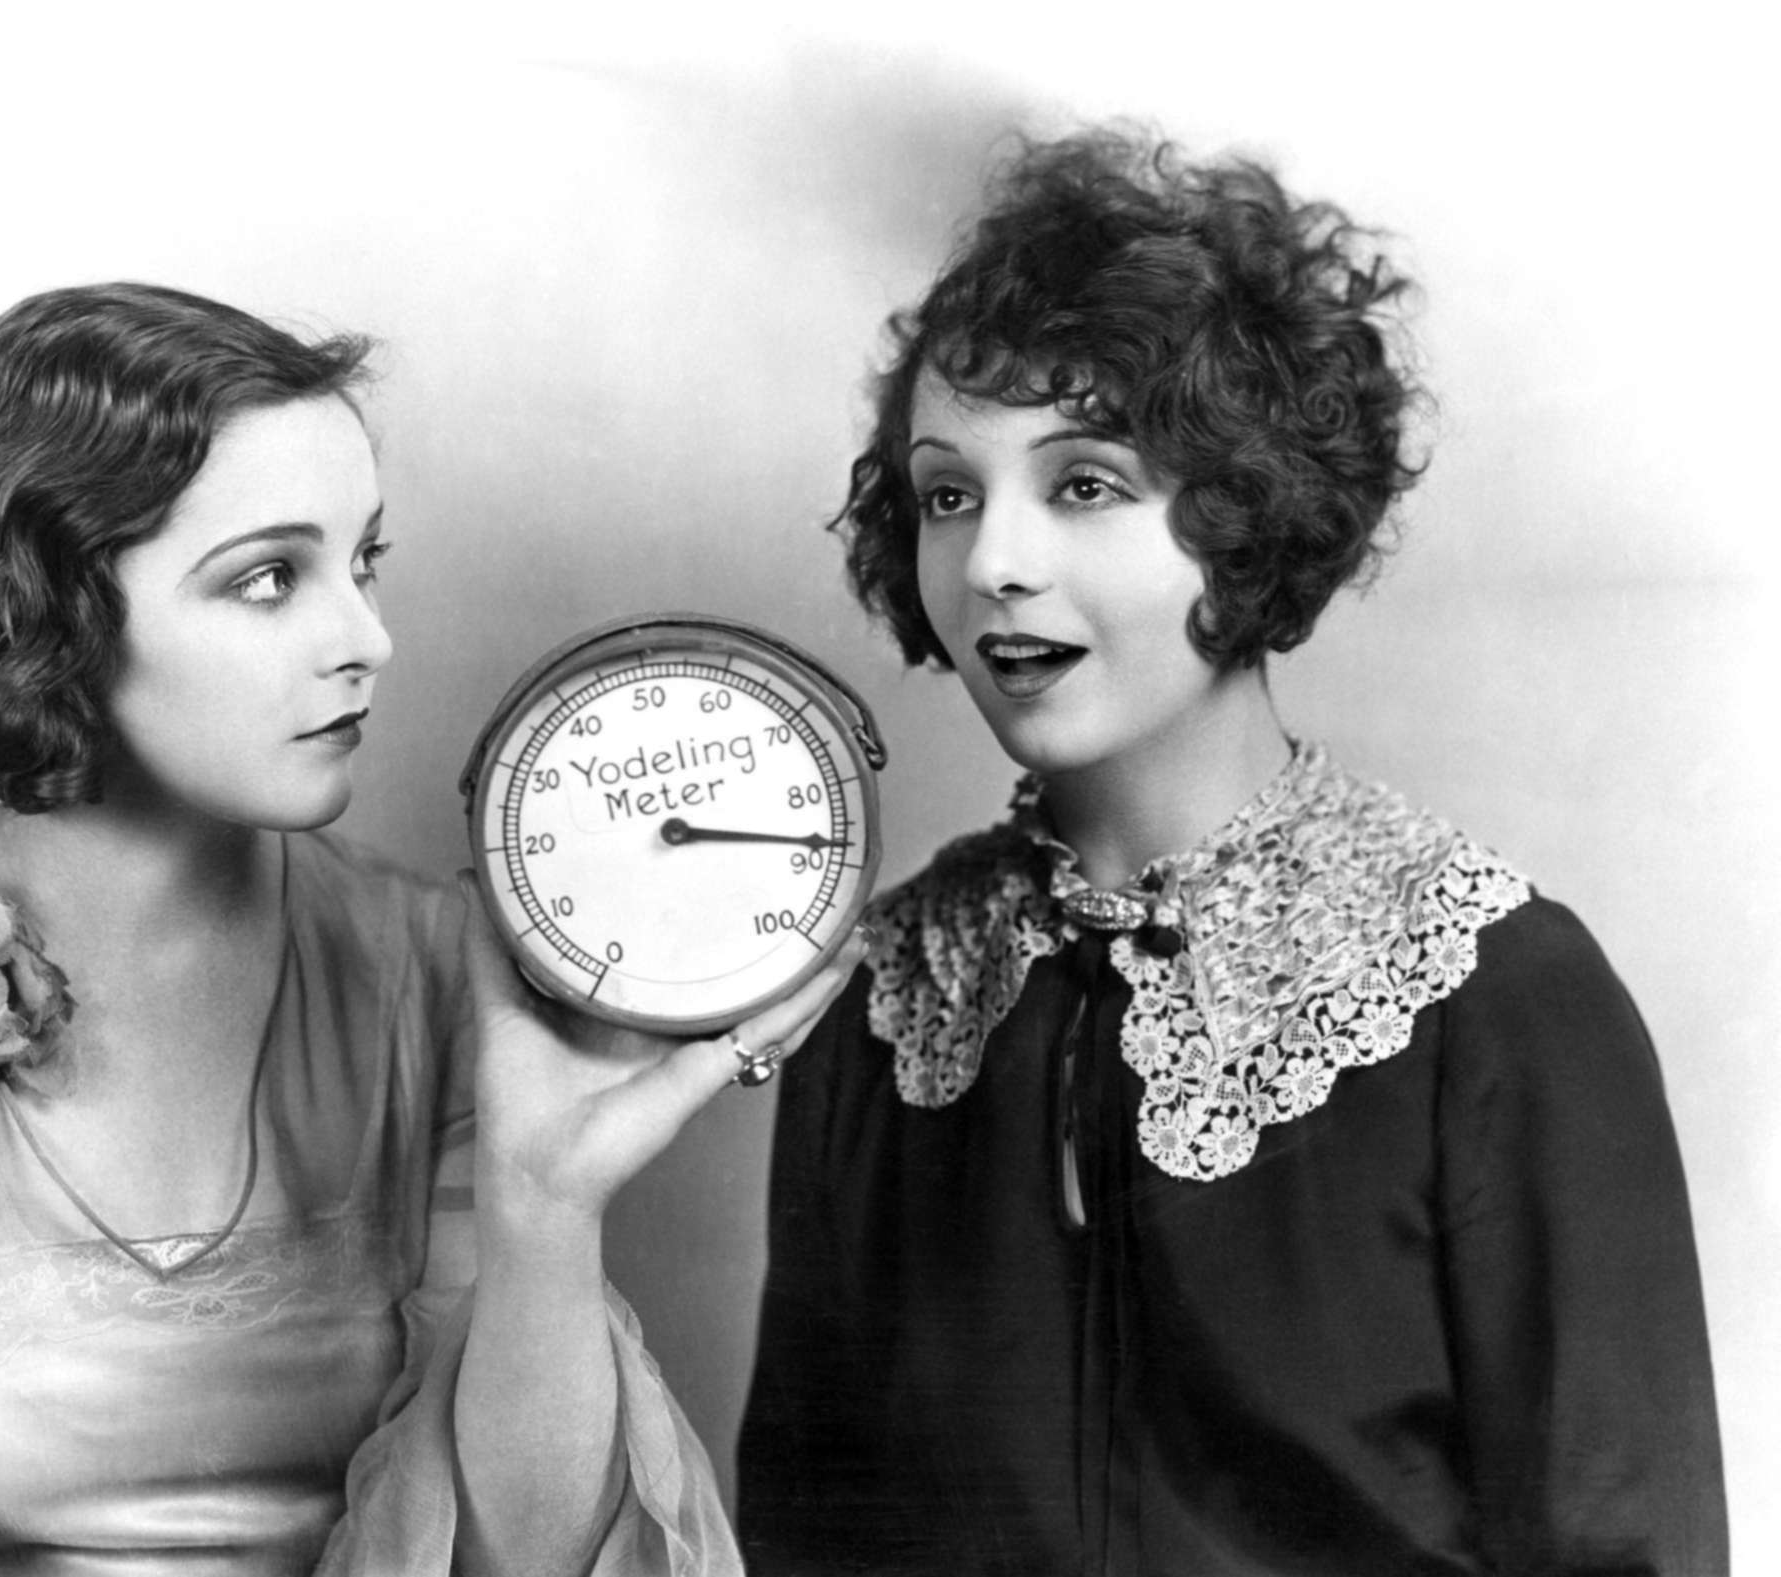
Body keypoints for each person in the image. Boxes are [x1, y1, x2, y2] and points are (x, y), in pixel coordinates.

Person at [0, 282, 863, 1576]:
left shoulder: (442, 968)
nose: (367, 639)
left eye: (364, 560)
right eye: (270, 577)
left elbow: (531, 1560)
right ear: (25, 614)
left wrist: (547, 1204)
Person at [735, 128, 1728, 1574]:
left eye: (1083, 485)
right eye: (950, 492)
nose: (995, 559)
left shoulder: (1497, 1000)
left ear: (1248, 509)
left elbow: (1627, 1544)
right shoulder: (880, 1001)